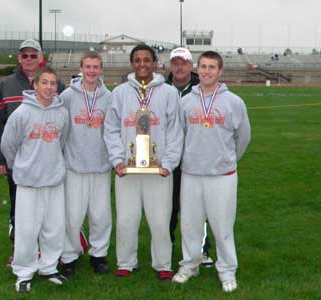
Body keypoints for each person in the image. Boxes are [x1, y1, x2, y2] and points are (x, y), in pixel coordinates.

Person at [172, 51, 251, 293]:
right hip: (192, 174)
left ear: (220, 71)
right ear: (198, 69)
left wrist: (227, 160)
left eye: (212, 67)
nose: (207, 71)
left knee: (222, 226)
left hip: (222, 176)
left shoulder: (234, 102)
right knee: (190, 224)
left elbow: (243, 137)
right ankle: (190, 265)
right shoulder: (185, 102)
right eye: (203, 66)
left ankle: (227, 270)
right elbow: (179, 136)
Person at [104, 44, 183, 280]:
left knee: (160, 220)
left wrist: (168, 163)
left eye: (146, 60)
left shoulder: (169, 93)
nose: (142, 64)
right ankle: (126, 261)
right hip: (127, 169)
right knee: (127, 218)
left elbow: (176, 131)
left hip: (158, 169)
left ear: (155, 63)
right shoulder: (119, 93)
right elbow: (110, 130)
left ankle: (163, 263)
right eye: (137, 60)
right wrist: (117, 160)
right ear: (132, 64)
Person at [0, 39, 66, 266]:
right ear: (19, 58)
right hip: (20, 164)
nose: (29, 59)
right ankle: (20, 252)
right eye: (25, 55)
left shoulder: (56, 84)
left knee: (49, 213)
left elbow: (64, 127)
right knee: (20, 211)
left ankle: (46, 253)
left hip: (49, 163)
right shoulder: (7, 84)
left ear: (41, 58)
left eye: (34, 55)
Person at [0, 66, 69, 293]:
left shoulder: (61, 113)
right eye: (44, 83)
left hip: (54, 180)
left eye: (53, 83)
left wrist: (50, 165)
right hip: (29, 182)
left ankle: (48, 266)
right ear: (35, 85)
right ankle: (23, 271)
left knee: (53, 228)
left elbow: (61, 141)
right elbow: (8, 145)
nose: (49, 87)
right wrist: (21, 167)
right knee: (27, 230)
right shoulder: (21, 113)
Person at [60, 52, 112, 276]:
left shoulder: (108, 97)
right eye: (88, 67)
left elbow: (112, 131)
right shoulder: (67, 96)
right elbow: (61, 129)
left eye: (96, 67)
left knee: (101, 215)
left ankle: (98, 255)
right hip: (75, 167)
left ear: (101, 69)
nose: (92, 71)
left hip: (100, 166)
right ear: (81, 68)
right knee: (72, 216)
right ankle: (69, 256)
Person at [166, 47, 214, 268]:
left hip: (193, 162)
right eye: (175, 62)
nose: (179, 67)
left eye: (183, 63)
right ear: (170, 66)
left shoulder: (202, 89)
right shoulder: (160, 89)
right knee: (167, 209)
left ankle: (202, 250)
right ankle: (166, 249)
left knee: (197, 210)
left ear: (190, 66)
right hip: (166, 160)